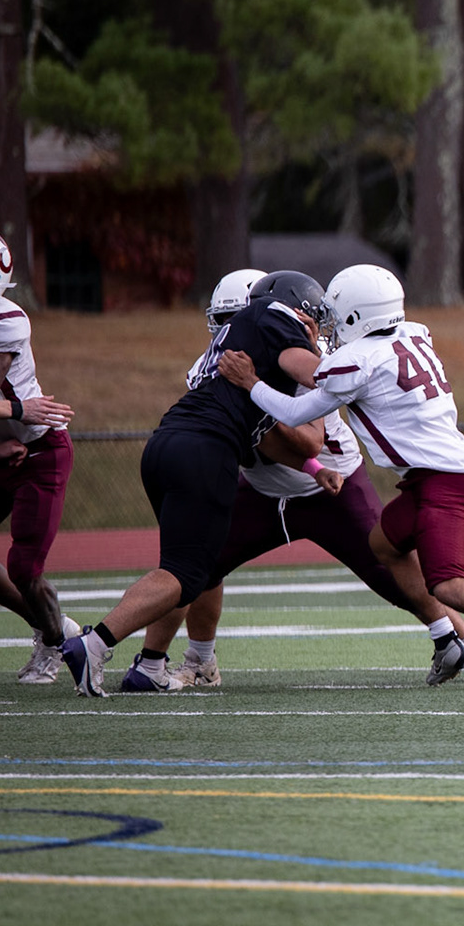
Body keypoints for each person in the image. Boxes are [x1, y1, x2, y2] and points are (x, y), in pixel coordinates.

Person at [121, 269, 464, 692]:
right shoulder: (218, 364)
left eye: (238, 318)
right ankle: (187, 660)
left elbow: (310, 443)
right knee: (196, 564)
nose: (227, 332)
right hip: (263, 492)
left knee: (398, 571)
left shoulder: (305, 361)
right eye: (223, 321)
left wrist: (252, 403)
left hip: (331, 489)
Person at [215, 265, 464, 689]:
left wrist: (250, 381)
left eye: (336, 315)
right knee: (382, 544)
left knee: (450, 587)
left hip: (447, 483)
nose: (331, 324)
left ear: (356, 315)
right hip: (432, 479)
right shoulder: (413, 333)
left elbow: (297, 411)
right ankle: (447, 639)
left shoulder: (358, 361)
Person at [61, 271, 334, 696]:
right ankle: (93, 645)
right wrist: (319, 348)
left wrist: (316, 469)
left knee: (186, 566)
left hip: (169, 444)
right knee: (185, 574)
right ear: (294, 306)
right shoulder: (272, 313)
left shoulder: (234, 346)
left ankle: (150, 667)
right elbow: (324, 377)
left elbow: (263, 436)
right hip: (205, 452)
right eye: (313, 316)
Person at [0, 238, 81, 683]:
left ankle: (56, 645)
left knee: (24, 567)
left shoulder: (7, 319)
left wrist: (14, 413)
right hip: (5, 446)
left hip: (40, 450)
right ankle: (52, 627)